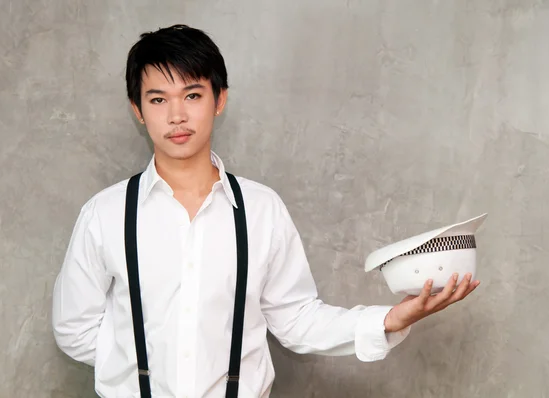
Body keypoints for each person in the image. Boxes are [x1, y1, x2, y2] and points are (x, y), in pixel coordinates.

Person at [51, 24, 479, 398]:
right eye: (158, 99)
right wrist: (134, 371)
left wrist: (389, 319)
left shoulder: (261, 210)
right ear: (138, 111)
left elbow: (296, 318)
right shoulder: (105, 214)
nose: (177, 115)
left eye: (193, 94)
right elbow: (75, 329)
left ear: (219, 100)